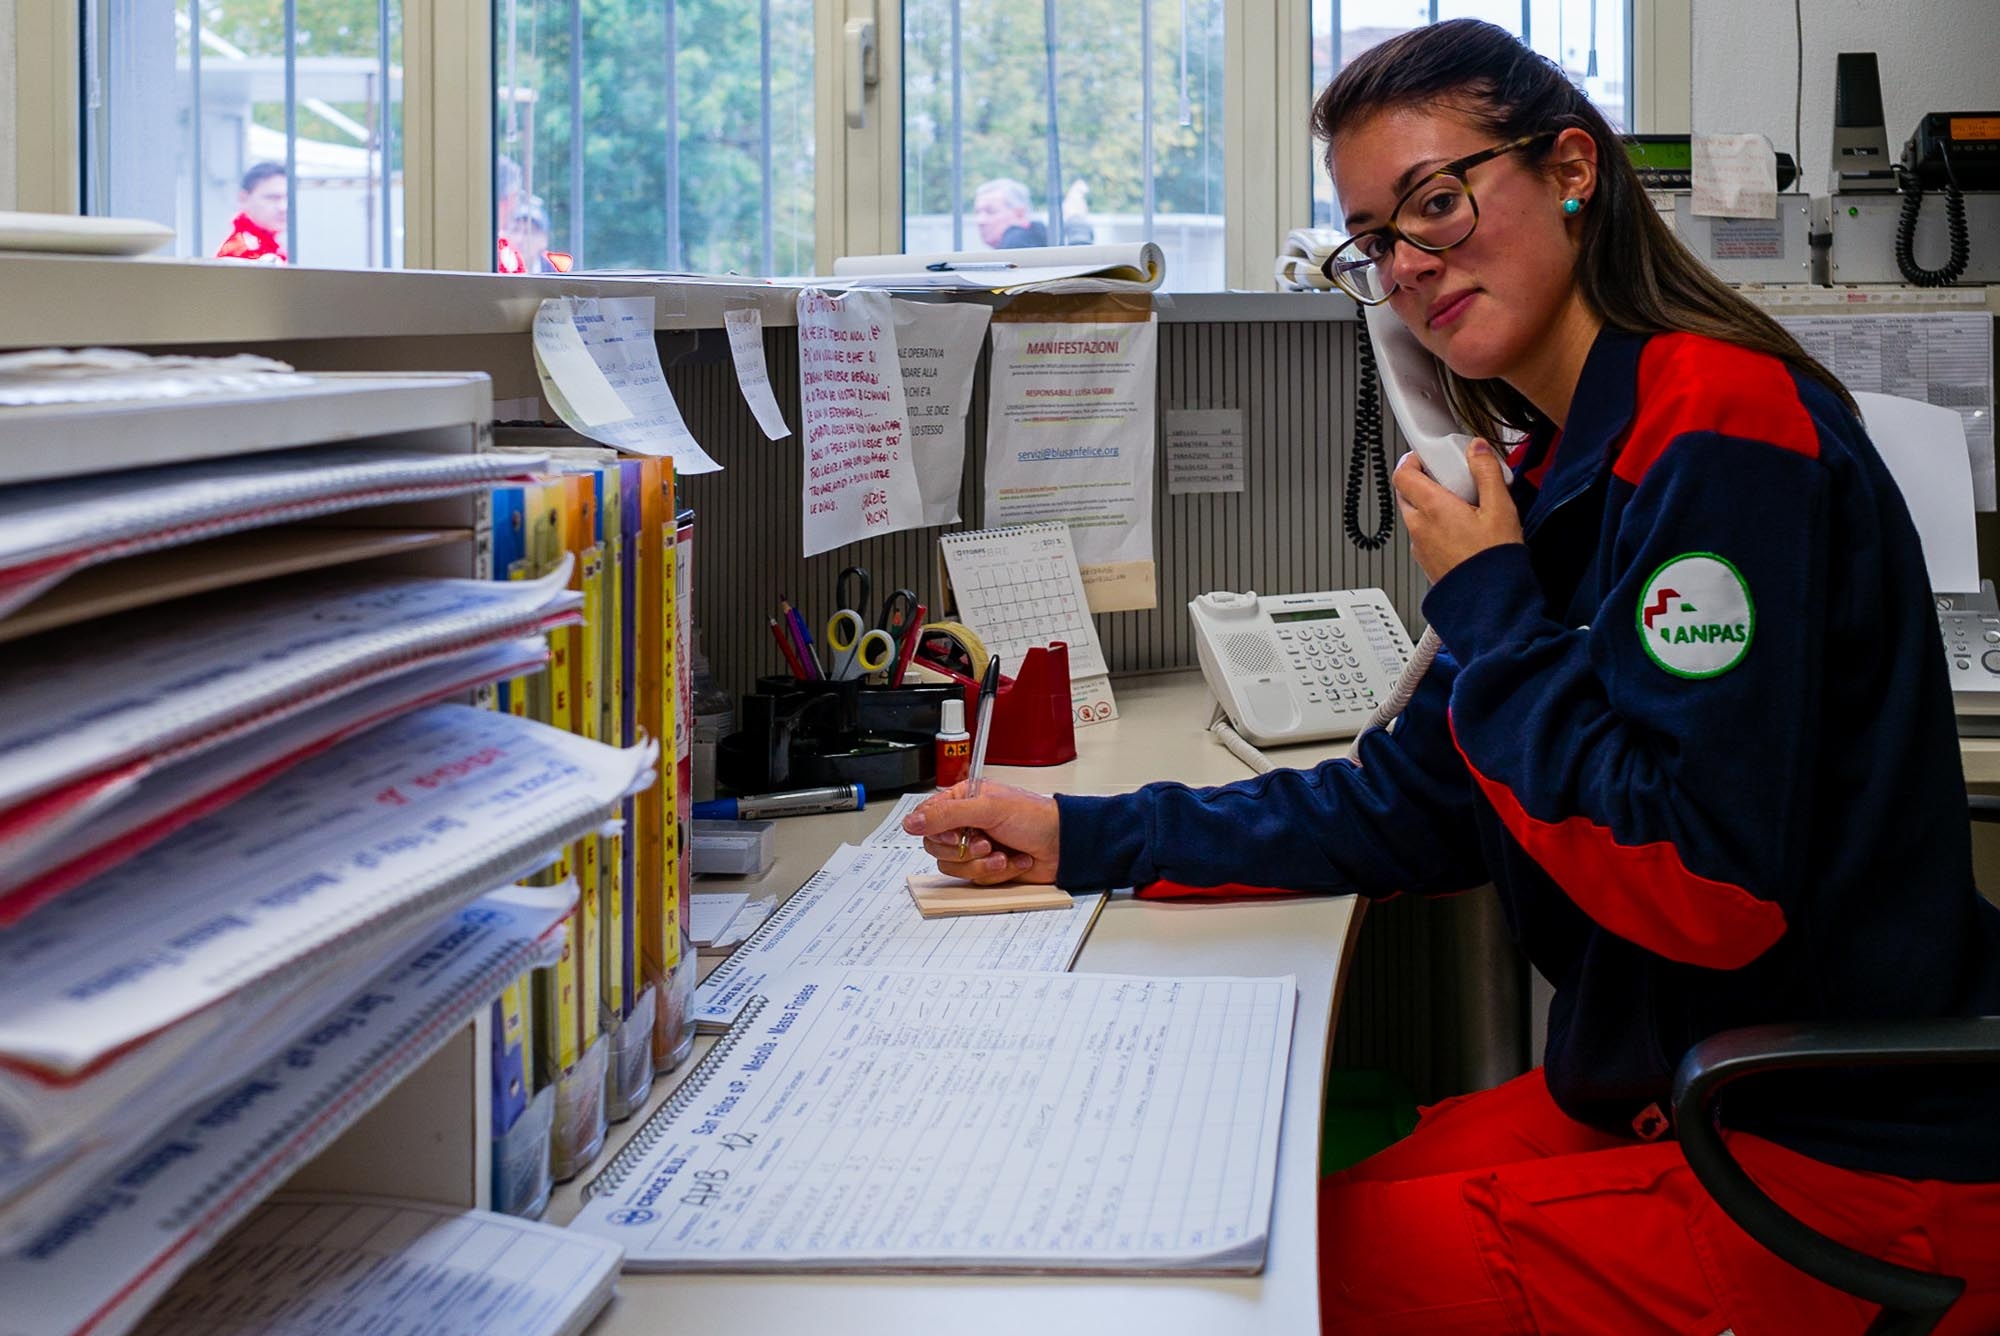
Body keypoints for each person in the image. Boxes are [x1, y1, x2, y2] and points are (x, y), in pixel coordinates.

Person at [905, 19, 2000, 1333]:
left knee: (1273, 1289)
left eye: (1438, 201)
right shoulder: (1555, 473)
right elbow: (1404, 804)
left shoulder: (1716, 426)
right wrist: (1082, 835)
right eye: (1377, 238)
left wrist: (1488, 596)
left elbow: (1706, 884)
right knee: (1279, 1227)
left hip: (1834, 1154)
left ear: (1573, 171)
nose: (1412, 265)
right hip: (1667, 1090)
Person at [215, 162, 288, 263]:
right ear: (243, 198)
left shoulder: (268, 246)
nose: (283, 207)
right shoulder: (240, 252)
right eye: (272, 198)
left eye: (287, 198)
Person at [972, 178, 1047, 249]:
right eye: (977, 212)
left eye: (991, 212)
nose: (980, 221)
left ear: (1019, 213)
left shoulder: (1017, 244)